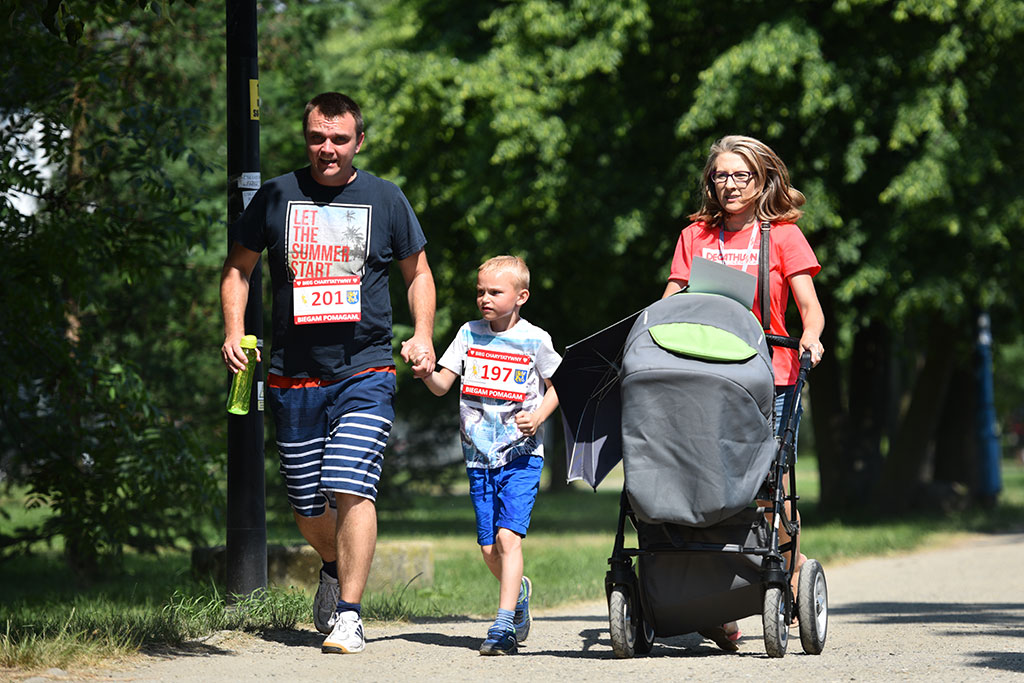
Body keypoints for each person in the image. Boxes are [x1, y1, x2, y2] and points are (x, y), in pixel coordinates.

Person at [220, 92, 436, 655]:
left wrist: (422, 333)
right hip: (293, 375)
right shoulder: (276, 196)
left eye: (340, 139)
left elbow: (418, 274)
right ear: (307, 137)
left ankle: (350, 614)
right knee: (306, 505)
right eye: (318, 137)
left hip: (365, 369)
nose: (328, 149)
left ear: (358, 141)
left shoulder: (385, 199)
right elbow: (238, 270)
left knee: (350, 482)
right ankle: (334, 562)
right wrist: (233, 332)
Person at [662, 134, 825, 650]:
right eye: (720, 176)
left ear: (763, 180)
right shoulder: (695, 236)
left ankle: (790, 575)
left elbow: (809, 307)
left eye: (740, 176)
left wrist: (812, 337)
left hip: (770, 375)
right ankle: (718, 601)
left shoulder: (782, 236)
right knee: (705, 484)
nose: (729, 185)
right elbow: (671, 300)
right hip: (705, 377)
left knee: (768, 487)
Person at [416, 255, 561, 655]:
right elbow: (443, 384)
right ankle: (520, 592)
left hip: (521, 455)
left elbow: (558, 385)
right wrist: (424, 369)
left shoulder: (535, 339)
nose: (484, 298)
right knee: (487, 549)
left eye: (494, 292)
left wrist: (538, 417)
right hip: (479, 457)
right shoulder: (468, 334)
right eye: (480, 291)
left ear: (521, 296)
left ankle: (502, 627)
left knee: (507, 538)